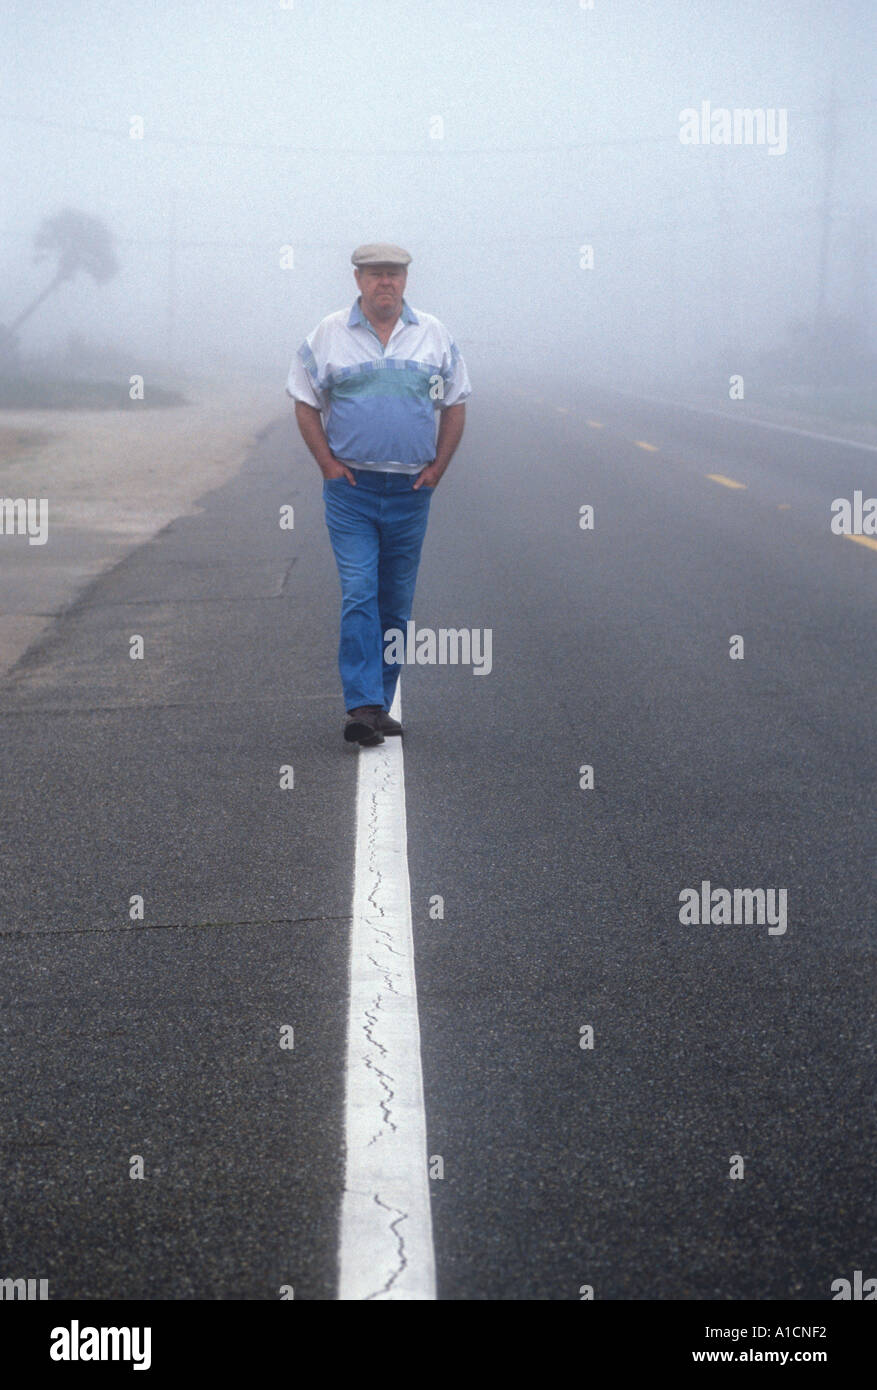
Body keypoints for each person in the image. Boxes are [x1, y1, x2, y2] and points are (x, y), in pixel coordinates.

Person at [286, 242, 471, 745]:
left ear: (406, 280)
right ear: (357, 280)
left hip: (411, 491)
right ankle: (362, 705)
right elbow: (305, 400)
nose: (384, 282)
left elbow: (454, 404)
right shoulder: (330, 334)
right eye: (374, 275)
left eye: (393, 274)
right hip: (352, 492)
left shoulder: (432, 336)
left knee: (395, 602)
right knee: (360, 591)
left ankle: (380, 702)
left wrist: (437, 470)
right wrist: (326, 463)